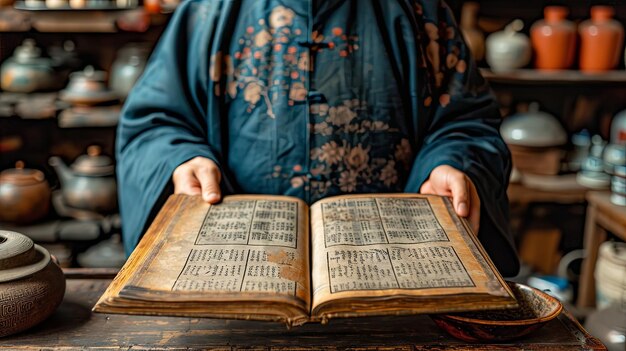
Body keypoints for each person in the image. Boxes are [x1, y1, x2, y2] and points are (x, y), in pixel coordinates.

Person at [116, 0, 520, 276]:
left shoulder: (418, 10)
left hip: (394, 277)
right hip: (236, 278)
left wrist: (448, 163)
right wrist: (181, 160)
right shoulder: (208, 10)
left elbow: (467, 122)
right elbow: (155, 122)